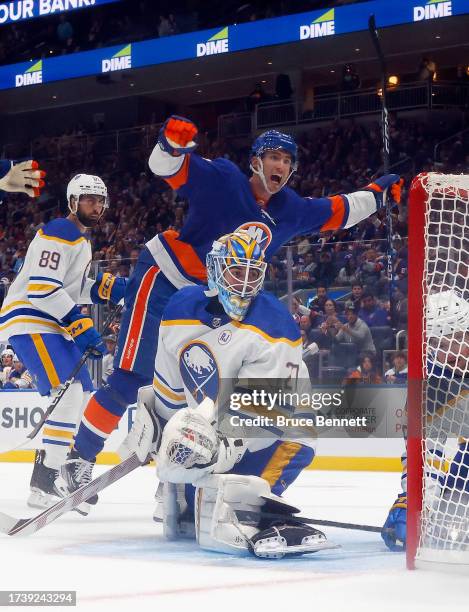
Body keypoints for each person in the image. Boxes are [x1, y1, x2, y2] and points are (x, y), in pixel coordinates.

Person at [70, 115, 402, 487]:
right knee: (133, 376)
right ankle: (76, 458)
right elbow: (165, 168)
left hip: (221, 300)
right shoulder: (224, 179)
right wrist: (171, 145)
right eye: (274, 157)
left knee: (214, 385)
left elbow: (337, 211)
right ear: (255, 161)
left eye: (288, 160)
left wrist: (377, 194)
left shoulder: (289, 209)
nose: (282, 166)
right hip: (168, 279)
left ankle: (181, 482)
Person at [117, 232, 329, 558]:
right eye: (236, 271)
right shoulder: (180, 308)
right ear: (215, 269)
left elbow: (264, 415)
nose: (245, 284)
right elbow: (171, 391)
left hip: (273, 432)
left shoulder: (276, 324)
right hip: (209, 429)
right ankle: (185, 494)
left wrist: (215, 453)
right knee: (188, 522)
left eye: (252, 273)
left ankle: (254, 506)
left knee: (298, 435)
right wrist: (159, 434)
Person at [0, 174, 126, 511]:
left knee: (81, 392)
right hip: (31, 317)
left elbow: (70, 287)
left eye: (100, 200)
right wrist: (81, 325)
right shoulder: (61, 230)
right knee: (69, 393)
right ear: (72, 201)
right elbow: (42, 287)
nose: (95, 205)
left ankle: (51, 476)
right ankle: (45, 482)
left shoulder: (80, 241)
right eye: (88, 199)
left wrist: (112, 289)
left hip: (49, 321)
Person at [382, 290, 469, 551]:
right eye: (439, 344)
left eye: (457, 339)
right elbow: (427, 454)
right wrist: (415, 502)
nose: (451, 351)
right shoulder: (429, 388)